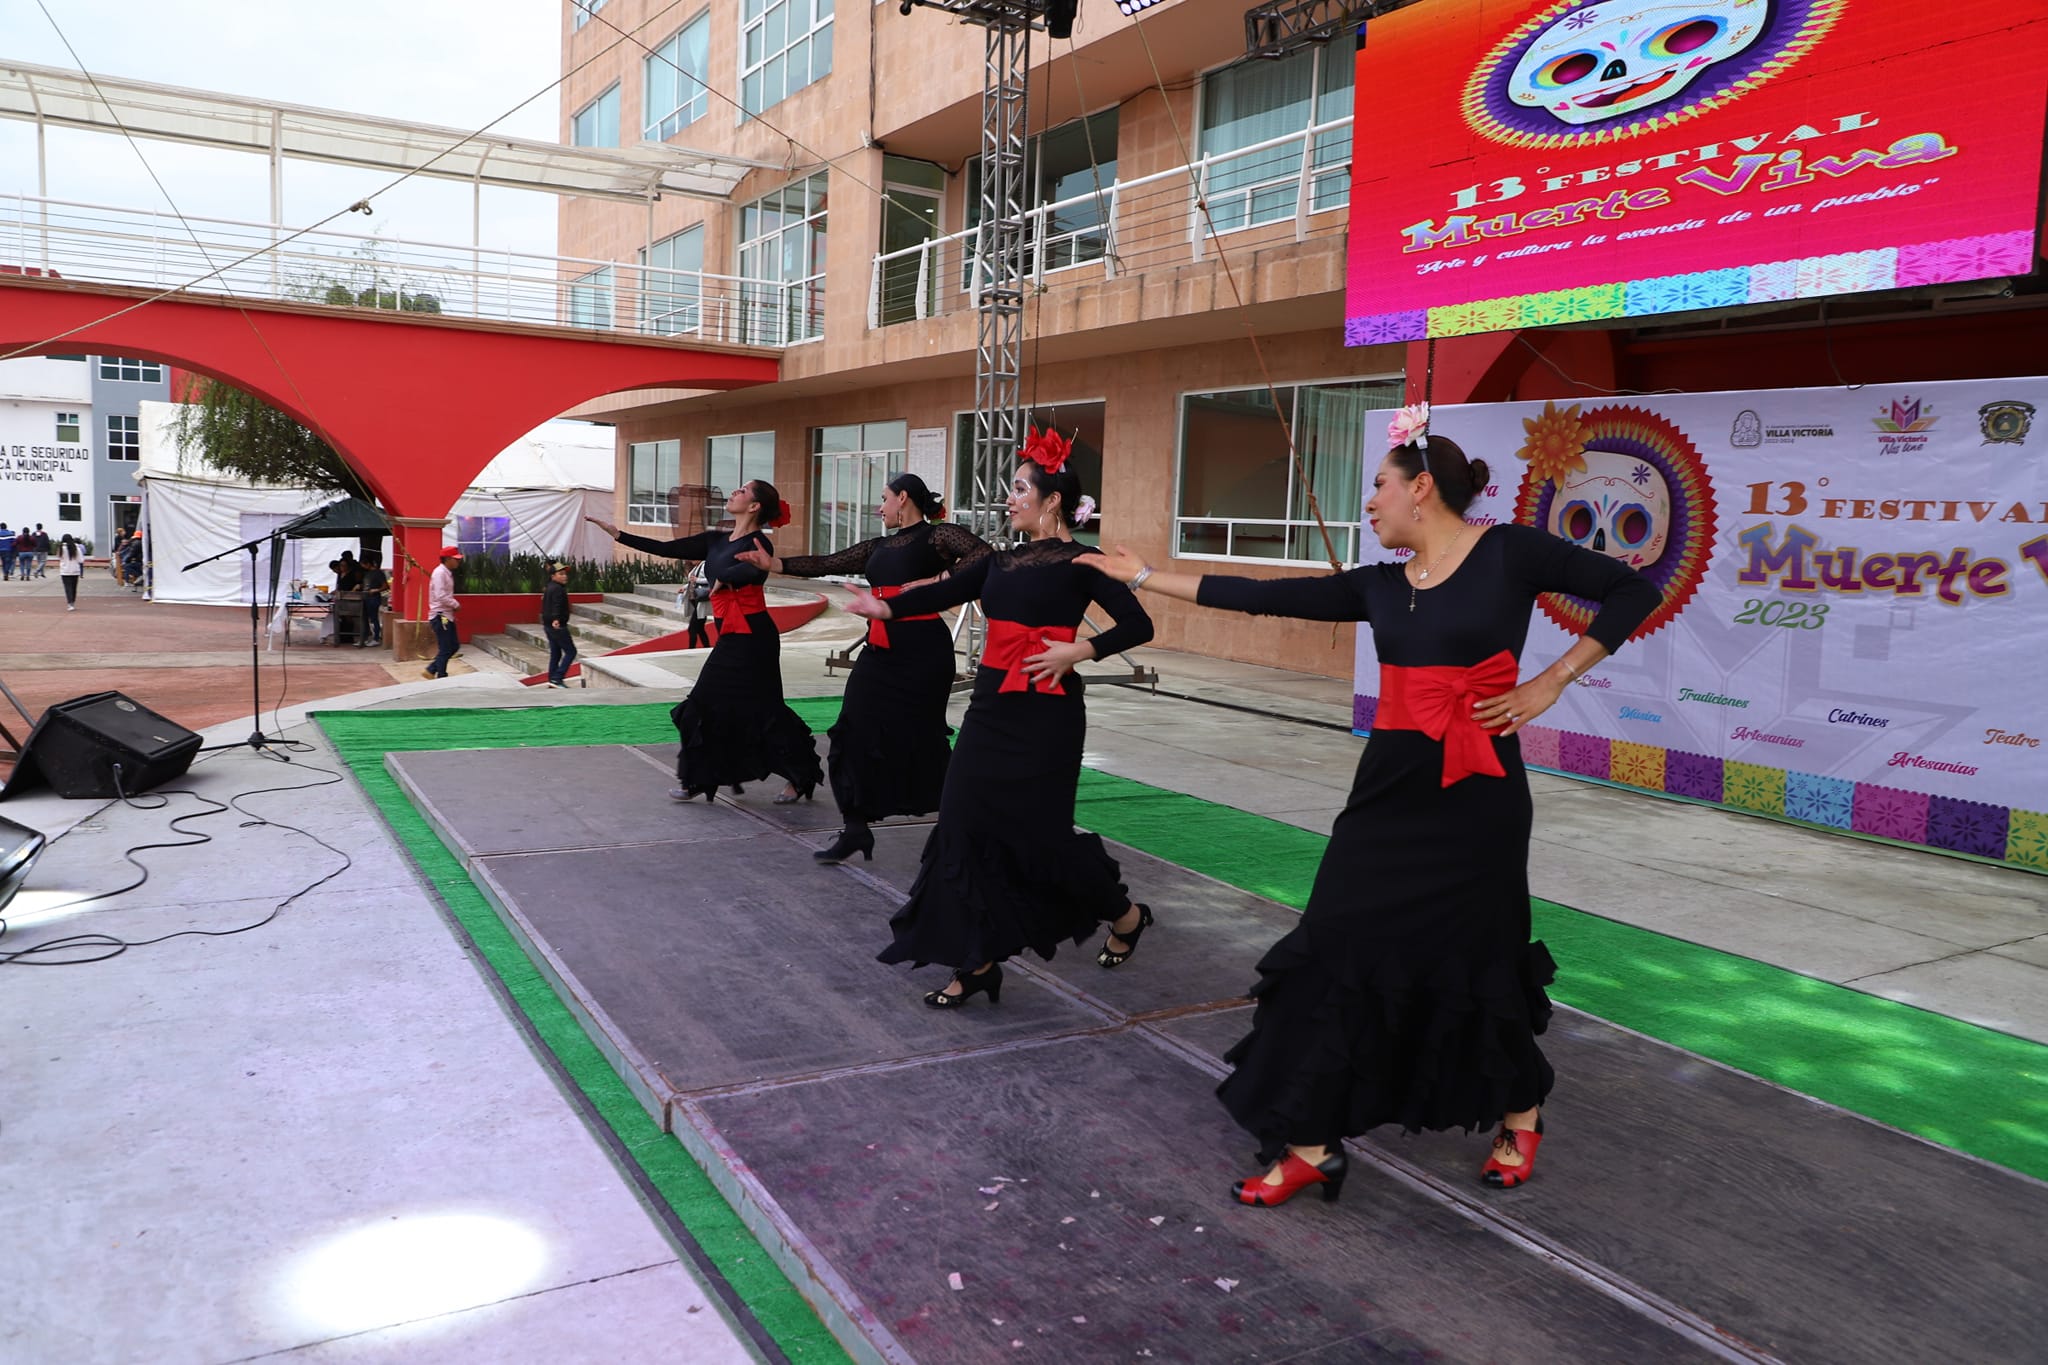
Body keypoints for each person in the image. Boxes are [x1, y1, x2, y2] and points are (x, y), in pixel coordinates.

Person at [1078, 405, 1660, 1206]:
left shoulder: (1509, 553)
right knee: (1331, 946)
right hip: (1387, 794)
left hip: (1479, 796)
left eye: (1379, 486)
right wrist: (1144, 577)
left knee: (1476, 959)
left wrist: (1551, 678)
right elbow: (1255, 595)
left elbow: (1632, 587)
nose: (1370, 503)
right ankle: (1315, 1141)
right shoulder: (1380, 586)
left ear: (1423, 489)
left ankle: (1521, 1109)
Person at [844, 431, 1155, 1008]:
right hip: (990, 713)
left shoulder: (1084, 562)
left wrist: (1077, 652)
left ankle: (1127, 914)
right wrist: (883, 605)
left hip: (1047, 718)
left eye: (1018, 489)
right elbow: (943, 591)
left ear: (1051, 499)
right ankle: (977, 963)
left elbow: (1139, 627)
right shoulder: (998, 561)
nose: (1008, 499)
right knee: (960, 827)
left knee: (1041, 842)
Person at [739, 472, 991, 863]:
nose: (879, 507)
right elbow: (825, 563)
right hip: (879, 652)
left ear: (903, 498)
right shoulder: (878, 546)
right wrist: (775, 563)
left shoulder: (938, 537)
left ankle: (966, 821)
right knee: (849, 732)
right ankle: (855, 828)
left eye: (884, 498)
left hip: (924, 651)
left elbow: (985, 556)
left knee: (921, 739)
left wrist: (940, 579)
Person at [585, 480, 822, 803]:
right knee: (711, 706)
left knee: (753, 708)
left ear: (754, 507)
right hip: (731, 635)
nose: (734, 492)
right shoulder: (716, 541)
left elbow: (756, 573)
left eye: (742, 490)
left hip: (754, 638)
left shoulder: (758, 544)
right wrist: (619, 535)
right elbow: (669, 549)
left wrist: (728, 576)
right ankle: (700, 777)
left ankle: (799, 774)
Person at [423, 545, 463, 680]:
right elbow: (441, 595)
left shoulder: (446, 572)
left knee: (453, 646)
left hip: (446, 614)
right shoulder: (440, 573)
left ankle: (432, 669)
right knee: (446, 647)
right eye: (455, 559)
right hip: (441, 615)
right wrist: (455, 604)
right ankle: (441, 675)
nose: (458, 562)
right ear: (447, 559)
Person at [541, 559, 577, 689]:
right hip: (557, 625)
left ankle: (552, 679)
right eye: (560, 574)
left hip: (548, 625)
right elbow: (556, 604)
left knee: (556, 653)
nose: (564, 576)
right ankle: (557, 678)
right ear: (553, 576)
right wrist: (556, 619)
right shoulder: (558, 589)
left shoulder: (550, 587)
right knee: (571, 652)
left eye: (564, 574)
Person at [359, 550, 388, 648]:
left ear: (368, 563)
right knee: (367, 618)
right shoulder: (367, 573)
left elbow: (385, 586)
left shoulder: (378, 573)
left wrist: (376, 590)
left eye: (363, 564)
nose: (363, 567)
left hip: (374, 598)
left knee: (374, 619)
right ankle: (367, 637)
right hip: (366, 597)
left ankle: (376, 638)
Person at [681, 563, 712, 649]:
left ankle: (691, 648)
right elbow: (691, 582)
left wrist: (697, 579)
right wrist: (685, 587)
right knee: (700, 629)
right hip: (694, 600)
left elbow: (710, 579)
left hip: (701, 600)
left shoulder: (705, 565)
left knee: (692, 628)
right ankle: (707, 647)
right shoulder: (695, 567)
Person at [57, 533, 83, 609]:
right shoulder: (76, 548)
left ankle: (70, 603)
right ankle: (73, 601)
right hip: (75, 570)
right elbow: (81, 560)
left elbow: (59, 557)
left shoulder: (61, 548)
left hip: (65, 571)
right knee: (74, 587)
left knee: (67, 587)